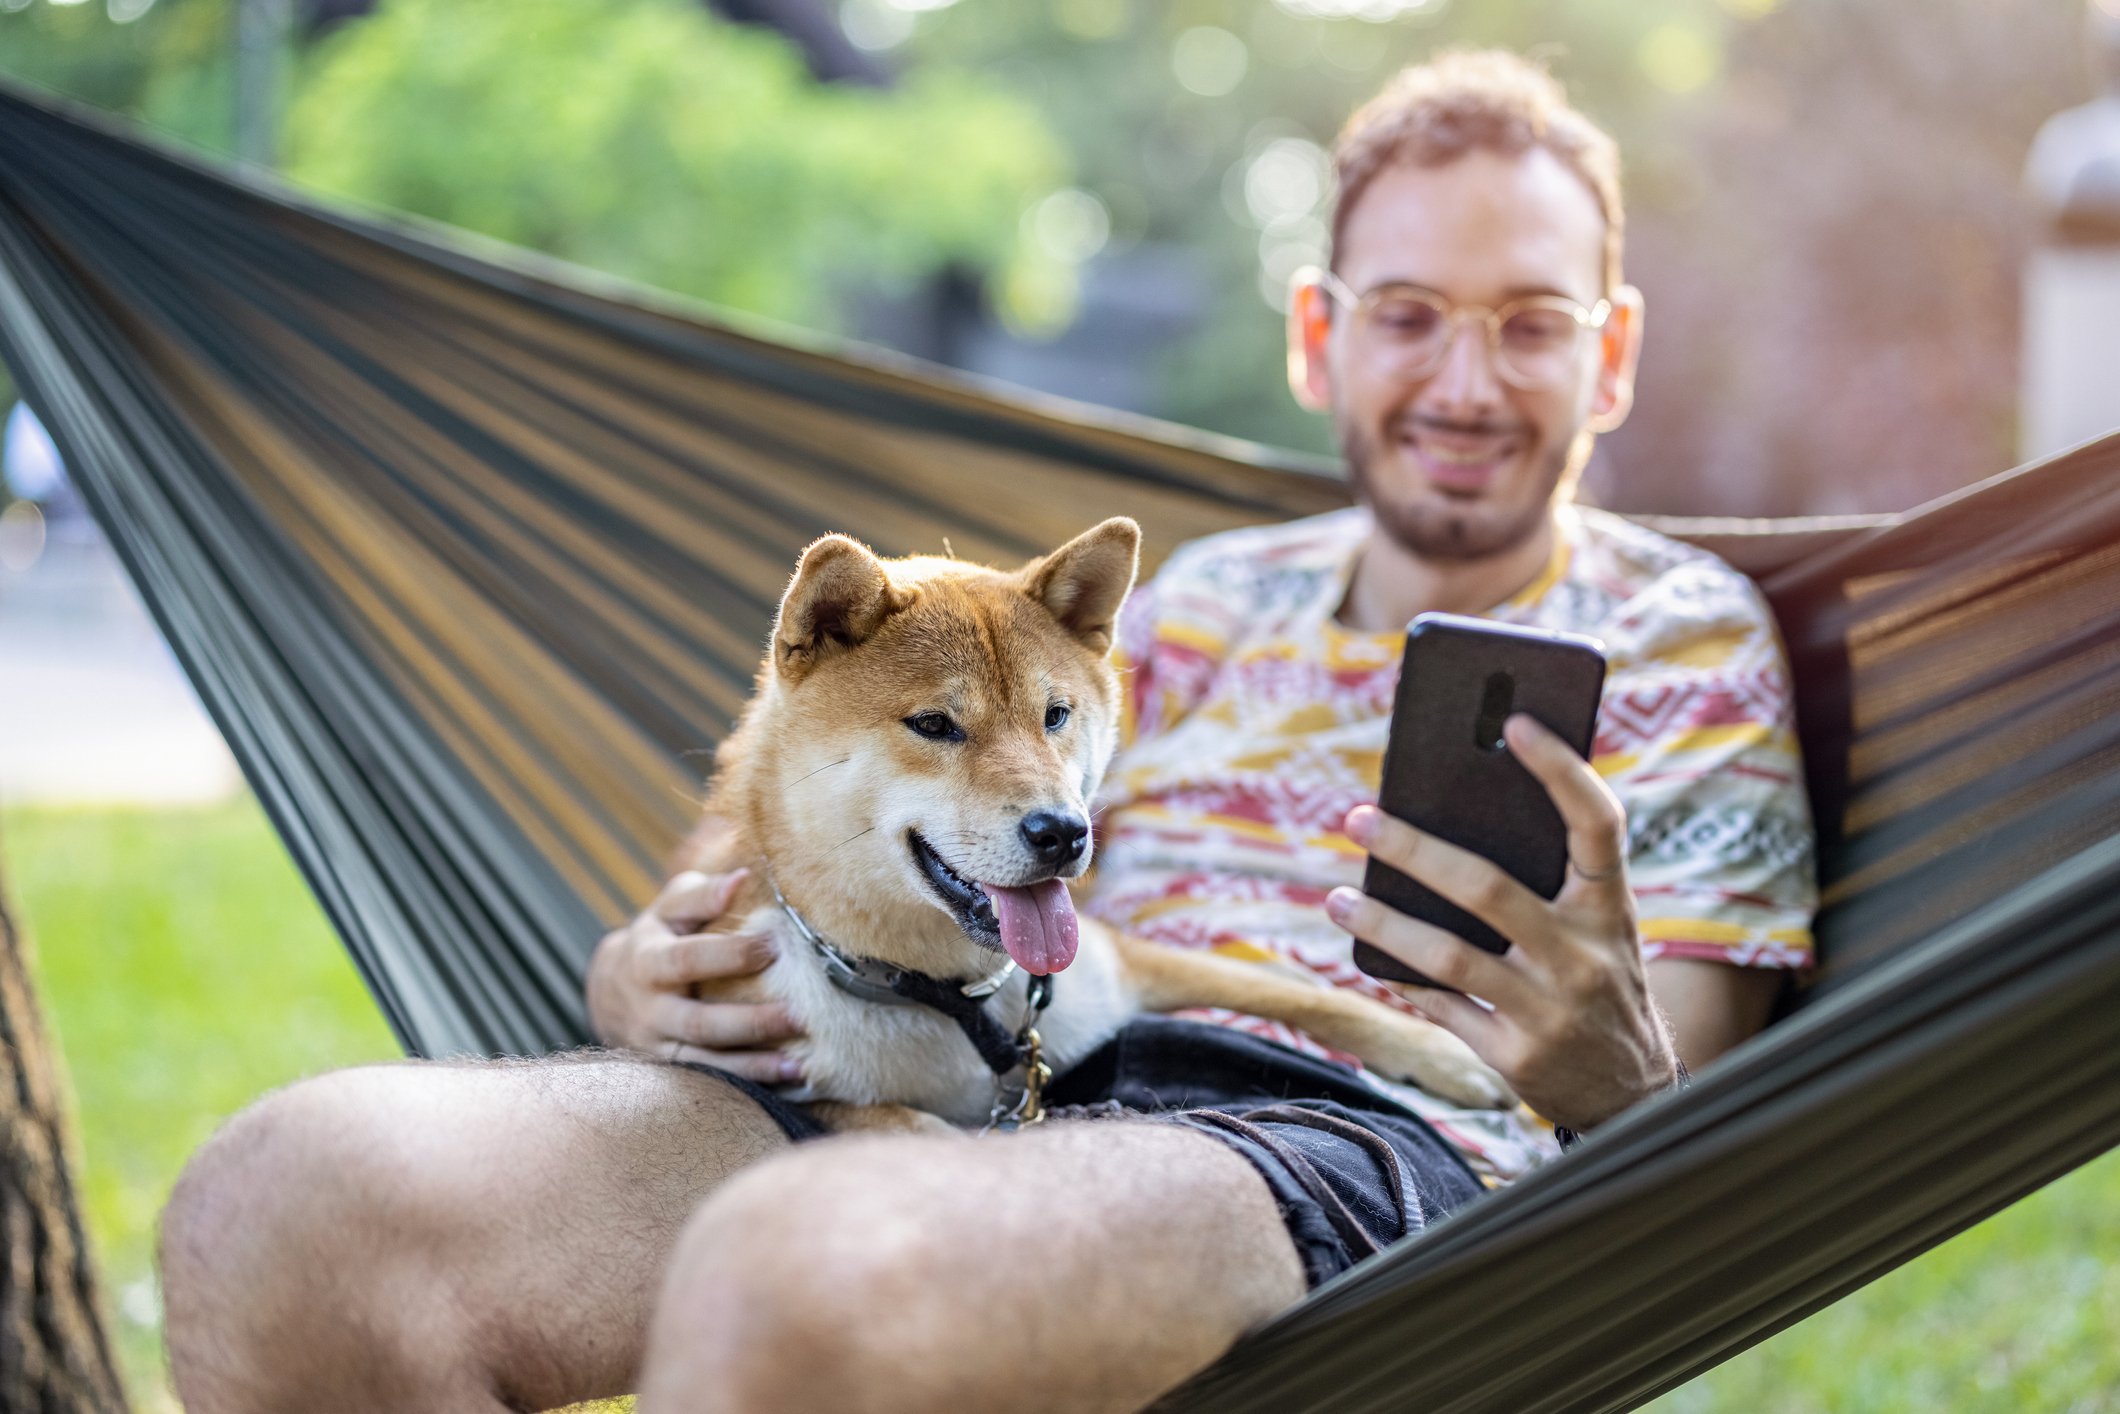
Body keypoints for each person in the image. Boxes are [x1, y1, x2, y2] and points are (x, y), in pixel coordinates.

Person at [160, 50, 1814, 1414]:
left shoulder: (1688, 641)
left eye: (1529, 320)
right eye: (1406, 313)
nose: (1464, 376)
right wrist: (634, 974)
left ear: (1610, 356)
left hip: (1325, 1139)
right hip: (944, 1065)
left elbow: (1670, 1128)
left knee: (807, 1270)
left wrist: (1617, 1074)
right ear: (1320, 335)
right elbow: (776, 832)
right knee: (286, 1209)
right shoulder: (1142, 617)